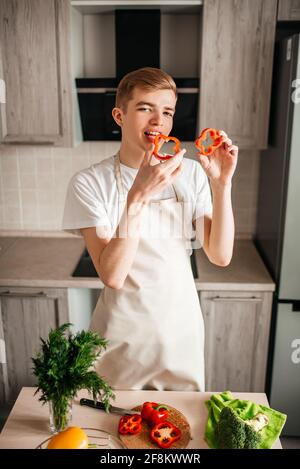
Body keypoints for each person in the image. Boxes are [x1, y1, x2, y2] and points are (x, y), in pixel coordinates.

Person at [62, 67, 238, 391]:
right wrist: (138, 195)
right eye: (145, 108)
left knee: (179, 433)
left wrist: (221, 184)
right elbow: (112, 276)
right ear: (119, 115)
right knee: (113, 429)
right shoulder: (89, 183)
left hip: (180, 331)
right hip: (121, 338)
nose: (158, 121)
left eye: (167, 112)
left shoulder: (192, 174)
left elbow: (221, 254)